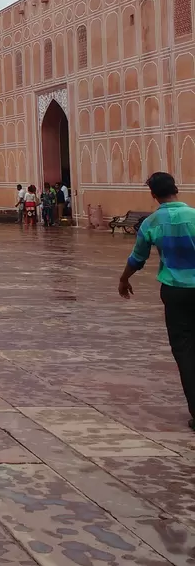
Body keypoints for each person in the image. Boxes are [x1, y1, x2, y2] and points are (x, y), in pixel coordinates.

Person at [116, 171, 195, 432]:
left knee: (184, 350)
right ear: (177, 189)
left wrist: (124, 279)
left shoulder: (152, 222)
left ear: (154, 195)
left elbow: (137, 258)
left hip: (175, 291)